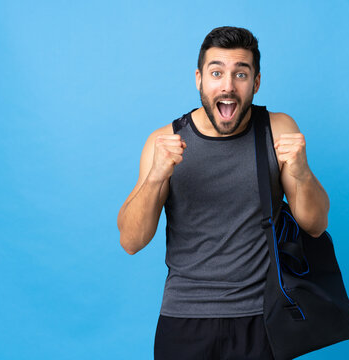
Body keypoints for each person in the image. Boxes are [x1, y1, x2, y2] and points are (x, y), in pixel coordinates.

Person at [117, 26, 330, 360]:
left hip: (263, 319)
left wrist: (301, 172)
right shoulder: (164, 140)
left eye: (240, 74)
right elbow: (131, 241)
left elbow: (315, 224)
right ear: (199, 79)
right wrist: (157, 176)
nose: (228, 85)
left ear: (256, 82)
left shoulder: (278, 130)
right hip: (184, 319)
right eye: (217, 73)